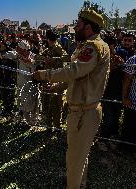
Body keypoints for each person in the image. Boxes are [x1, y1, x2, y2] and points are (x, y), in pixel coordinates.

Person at [33, 9, 110, 189]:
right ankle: (79, 184)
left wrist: (44, 75)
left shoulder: (93, 46)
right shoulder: (89, 45)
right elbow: (78, 78)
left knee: (75, 158)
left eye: (79, 24)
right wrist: (58, 86)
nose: (75, 27)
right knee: (79, 155)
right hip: (83, 111)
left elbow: (74, 71)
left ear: (88, 27)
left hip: (85, 113)